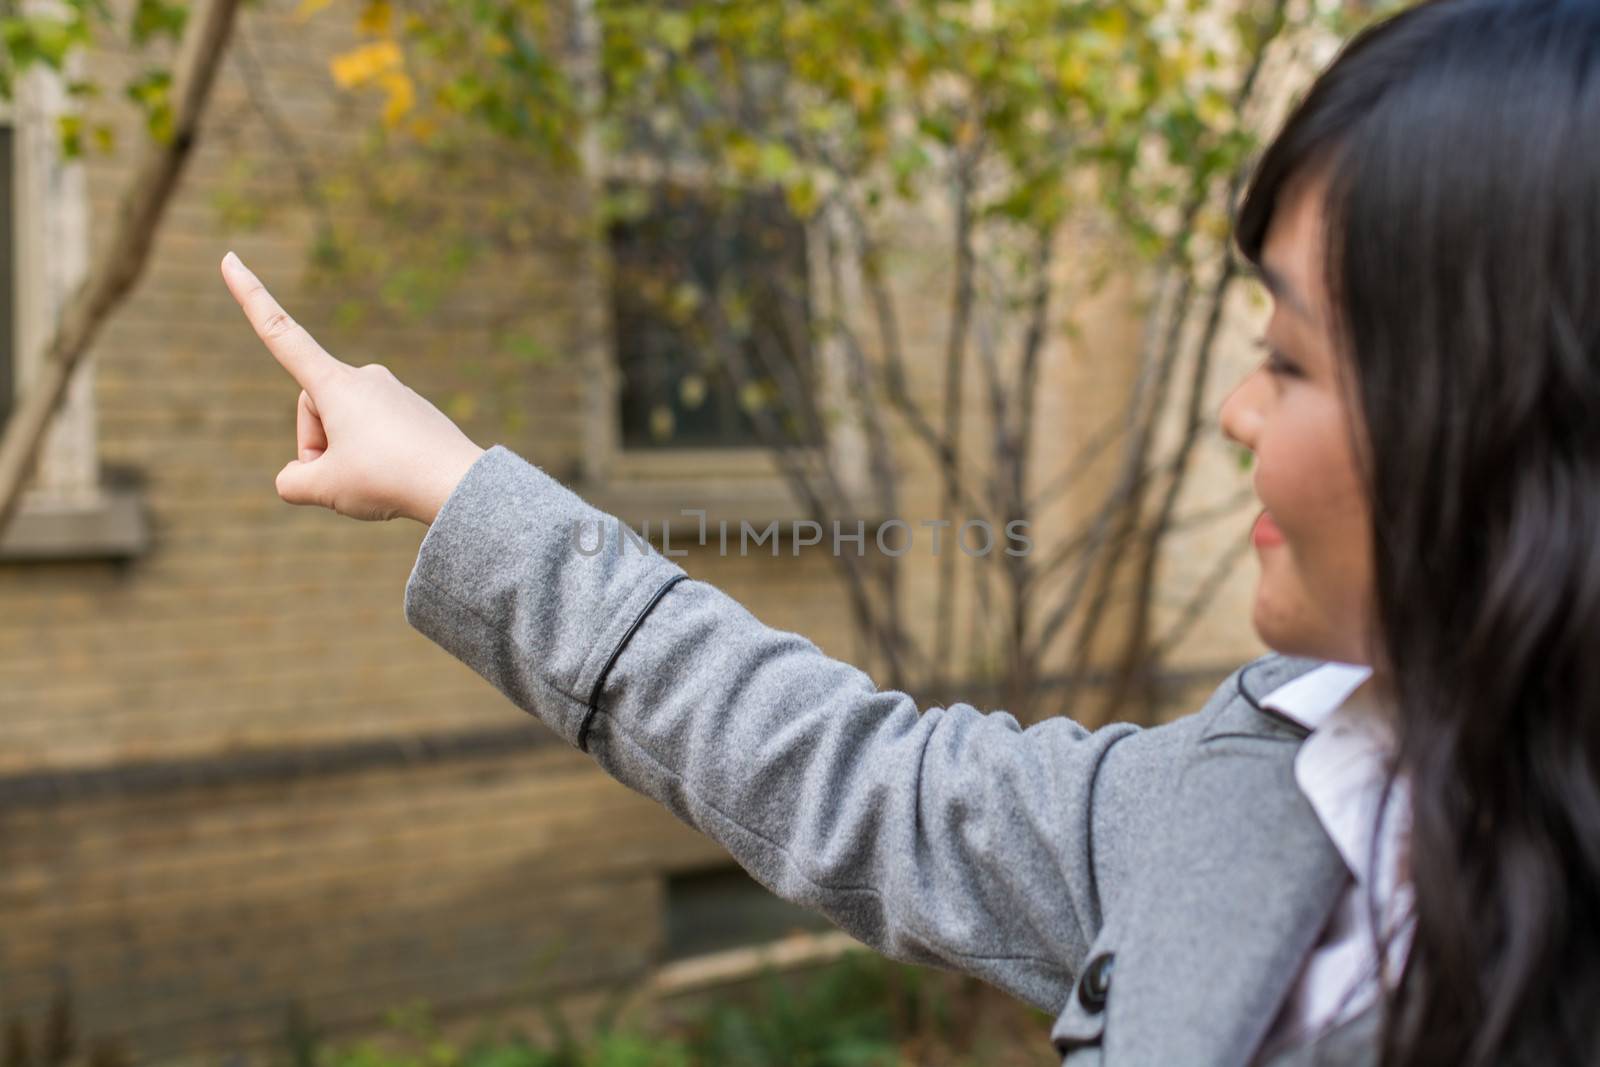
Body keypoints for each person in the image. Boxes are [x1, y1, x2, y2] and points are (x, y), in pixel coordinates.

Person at [218, 0, 1600, 1061]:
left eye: (1291, 362)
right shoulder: (1256, 790)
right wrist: (462, 491)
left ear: (1500, 419)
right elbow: (864, 782)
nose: (1235, 413)